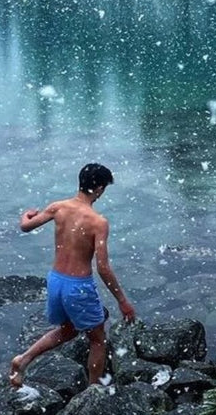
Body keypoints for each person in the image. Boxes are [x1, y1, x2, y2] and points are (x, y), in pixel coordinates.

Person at [8, 163, 137, 388]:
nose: (102, 193)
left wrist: (24, 216)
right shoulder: (98, 222)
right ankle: (93, 391)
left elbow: (26, 227)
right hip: (78, 286)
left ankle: (23, 359)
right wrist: (123, 301)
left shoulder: (59, 207)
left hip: (56, 280)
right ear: (98, 188)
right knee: (97, 339)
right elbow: (103, 268)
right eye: (103, 188)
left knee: (67, 330)